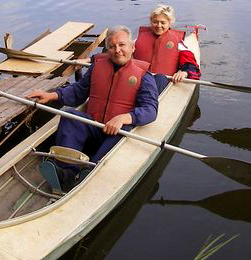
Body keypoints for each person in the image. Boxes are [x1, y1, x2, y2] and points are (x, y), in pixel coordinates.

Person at [26, 25, 158, 190]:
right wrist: (52, 95)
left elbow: (150, 109)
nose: (117, 50)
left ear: (133, 47)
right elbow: (78, 91)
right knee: (70, 116)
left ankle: (91, 170)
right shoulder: (97, 67)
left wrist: (123, 118)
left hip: (117, 131)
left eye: (122, 45)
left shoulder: (144, 75)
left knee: (126, 131)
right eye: (112, 46)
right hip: (93, 125)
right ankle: (65, 171)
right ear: (107, 49)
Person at [133, 4, 201, 92]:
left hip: (161, 82)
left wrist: (184, 72)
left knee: (160, 78)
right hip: (140, 79)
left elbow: (190, 64)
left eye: (163, 22)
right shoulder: (138, 40)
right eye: (155, 22)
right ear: (151, 22)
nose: (158, 25)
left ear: (169, 23)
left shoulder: (178, 43)